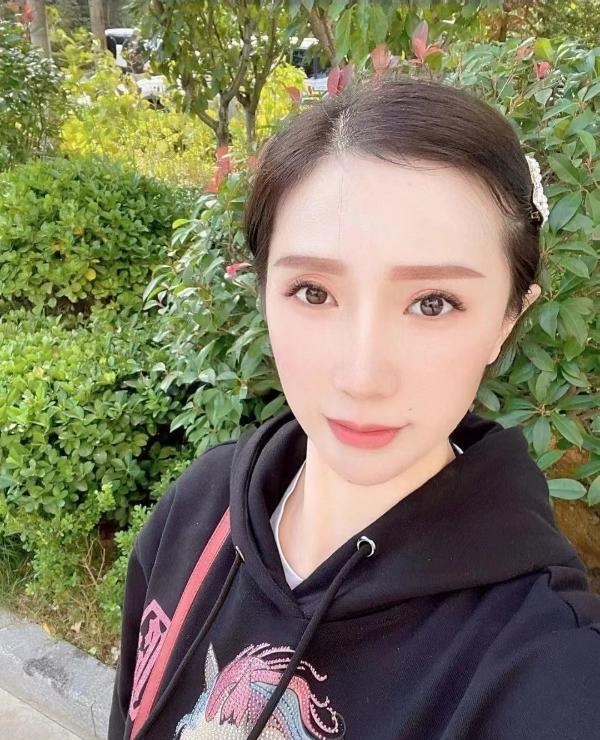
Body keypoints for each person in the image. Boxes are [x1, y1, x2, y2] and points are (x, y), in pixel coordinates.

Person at [108, 75, 600, 740]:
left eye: (433, 303)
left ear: (508, 319)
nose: (362, 376)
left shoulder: (550, 670)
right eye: (313, 292)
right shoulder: (199, 511)